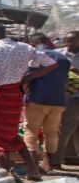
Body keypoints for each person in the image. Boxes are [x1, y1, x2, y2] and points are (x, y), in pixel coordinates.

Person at [0, 22, 56, 180]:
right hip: (15, 95)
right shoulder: (25, 48)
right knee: (10, 133)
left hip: (0, 97)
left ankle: (1, 171)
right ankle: (31, 168)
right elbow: (51, 64)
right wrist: (28, 77)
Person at [22, 35, 71, 171]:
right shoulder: (63, 59)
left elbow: (28, 77)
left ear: (36, 43)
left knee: (31, 129)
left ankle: (32, 164)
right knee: (52, 132)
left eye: (31, 44)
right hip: (58, 101)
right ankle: (49, 162)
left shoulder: (36, 56)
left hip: (37, 99)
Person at [54, 30, 79, 167]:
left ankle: (67, 156)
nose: (70, 44)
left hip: (76, 97)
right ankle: (58, 158)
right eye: (68, 41)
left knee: (71, 128)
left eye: (73, 41)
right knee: (65, 128)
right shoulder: (59, 54)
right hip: (62, 96)